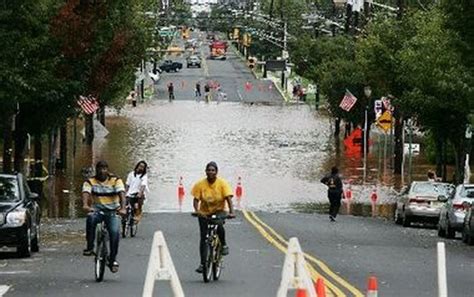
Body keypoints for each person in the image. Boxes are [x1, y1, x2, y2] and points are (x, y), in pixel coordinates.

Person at [82, 161, 126, 273]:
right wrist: (86, 205)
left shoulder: (116, 180)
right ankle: (90, 247)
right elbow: (86, 192)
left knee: (114, 232)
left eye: (104, 169)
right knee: (90, 218)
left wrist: (123, 208)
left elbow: (121, 193)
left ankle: (112, 259)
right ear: (96, 170)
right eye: (100, 169)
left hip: (112, 211)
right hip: (97, 210)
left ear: (107, 170)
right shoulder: (90, 181)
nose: (102, 171)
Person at [191, 161, 235, 273]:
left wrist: (231, 212)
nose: (211, 172)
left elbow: (228, 199)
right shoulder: (200, 184)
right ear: (205, 171)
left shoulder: (222, 184)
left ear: (216, 172)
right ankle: (202, 263)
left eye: (213, 170)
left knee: (219, 224)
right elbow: (196, 200)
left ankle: (223, 244)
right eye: (209, 170)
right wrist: (197, 211)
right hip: (204, 212)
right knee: (204, 238)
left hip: (218, 211)